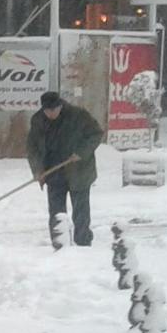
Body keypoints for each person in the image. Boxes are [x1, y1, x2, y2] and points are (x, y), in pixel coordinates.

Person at [26, 90, 103, 246]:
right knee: (56, 212)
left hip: (78, 170)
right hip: (53, 172)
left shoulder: (78, 116)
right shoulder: (38, 120)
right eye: (47, 111)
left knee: (80, 211)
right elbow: (32, 147)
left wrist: (81, 152)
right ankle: (60, 242)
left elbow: (96, 133)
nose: (51, 114)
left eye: (54, 110)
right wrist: (37, 170)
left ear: (60, 105)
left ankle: (82, 242)